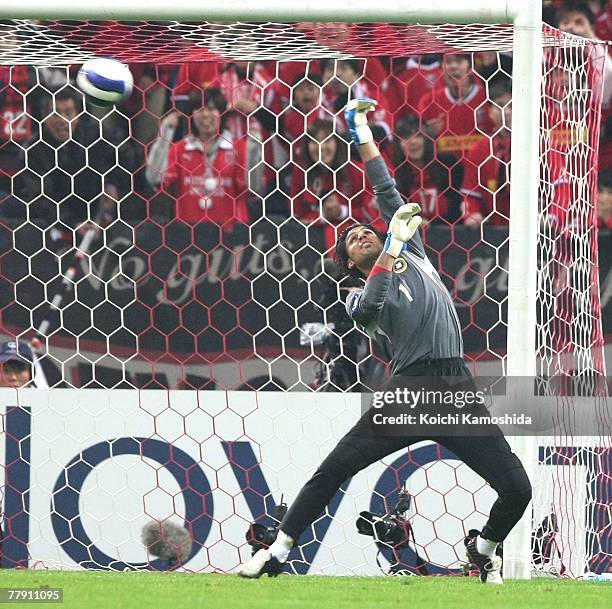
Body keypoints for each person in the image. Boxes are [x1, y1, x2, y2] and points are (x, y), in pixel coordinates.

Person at [238, 98, 532, 585]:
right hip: (408, 392)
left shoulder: (412, 250)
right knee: (333, 471)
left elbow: (384, 186)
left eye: (364, 231)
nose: (359, 234)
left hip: (455, 390)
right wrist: (390, 245)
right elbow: (374, 304)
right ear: (350, 265)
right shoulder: (358, 296)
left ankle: (482, 550)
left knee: (517, 488)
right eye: (350, 241)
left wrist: (361, 131)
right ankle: (278, 551)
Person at [145, 88, 249, 229]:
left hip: (232, 235)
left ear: (222, 114)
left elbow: (251, 189)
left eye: (211, 109)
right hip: (188, 236)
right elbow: (155, 179)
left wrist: (255, 149)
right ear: (191, 116)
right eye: (199, 109)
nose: (205, 114)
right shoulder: (180, 149)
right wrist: (165, 136)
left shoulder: (239, 147)